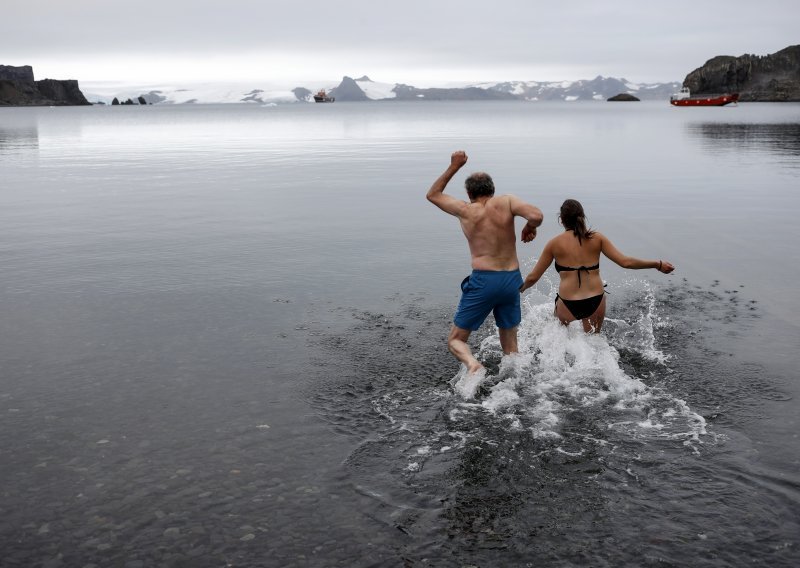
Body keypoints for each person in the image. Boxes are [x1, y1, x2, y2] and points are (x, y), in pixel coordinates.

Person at [427, 151, 544, 375]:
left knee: (456, 341)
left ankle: (473, 365)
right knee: (511, 347)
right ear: (492, 190)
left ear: (469, 193)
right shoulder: (507, 202)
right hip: (511, 280)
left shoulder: (464, 210)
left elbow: (433, 194)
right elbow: (537, 215)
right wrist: (531, 227)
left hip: (484, 280)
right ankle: (515, 379)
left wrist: (455, 166)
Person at [520, 198, 675, 332]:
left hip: (567, 302)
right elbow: (625, 262)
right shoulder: (597, 238)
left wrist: (519, 289)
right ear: (582, 216)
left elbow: (533, 277)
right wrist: (657, 264)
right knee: (594, 345)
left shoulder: (554, 244)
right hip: (595, 300)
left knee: (560, 344)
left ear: (561, 219)